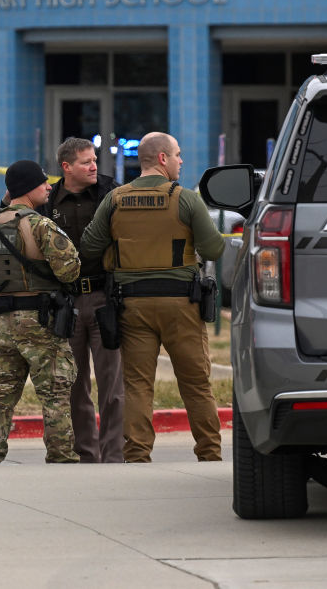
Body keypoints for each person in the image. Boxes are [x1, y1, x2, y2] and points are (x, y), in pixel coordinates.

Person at [80, 132, 225, 463]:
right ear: (162, 159)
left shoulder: (116, 199)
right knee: (196, 384)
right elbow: (214, 248)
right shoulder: (185, 199)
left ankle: (137, 455)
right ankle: (209, 453)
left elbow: (89, 246)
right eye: (177, 154)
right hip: (181, 307)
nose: (181, 161)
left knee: (137, 385)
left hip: (132, 307)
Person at [0, 160, 81, 464]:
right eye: (43, 183)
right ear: (29, 188)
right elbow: (69, 271)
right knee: (54, 394)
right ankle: (61, 457)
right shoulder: (40, 225)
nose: (48, 187)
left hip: (1, 324)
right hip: (41, 323)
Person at [37, 137, 124, 463]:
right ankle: (86, 455)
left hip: (103, 297)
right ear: (66, 166)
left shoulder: (110, 193)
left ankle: (114, 456)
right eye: (86, 162)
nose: (93, 166)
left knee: (112, 386)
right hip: (67, 303)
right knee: (74, 387)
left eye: (94, 160)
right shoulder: (49, 200)